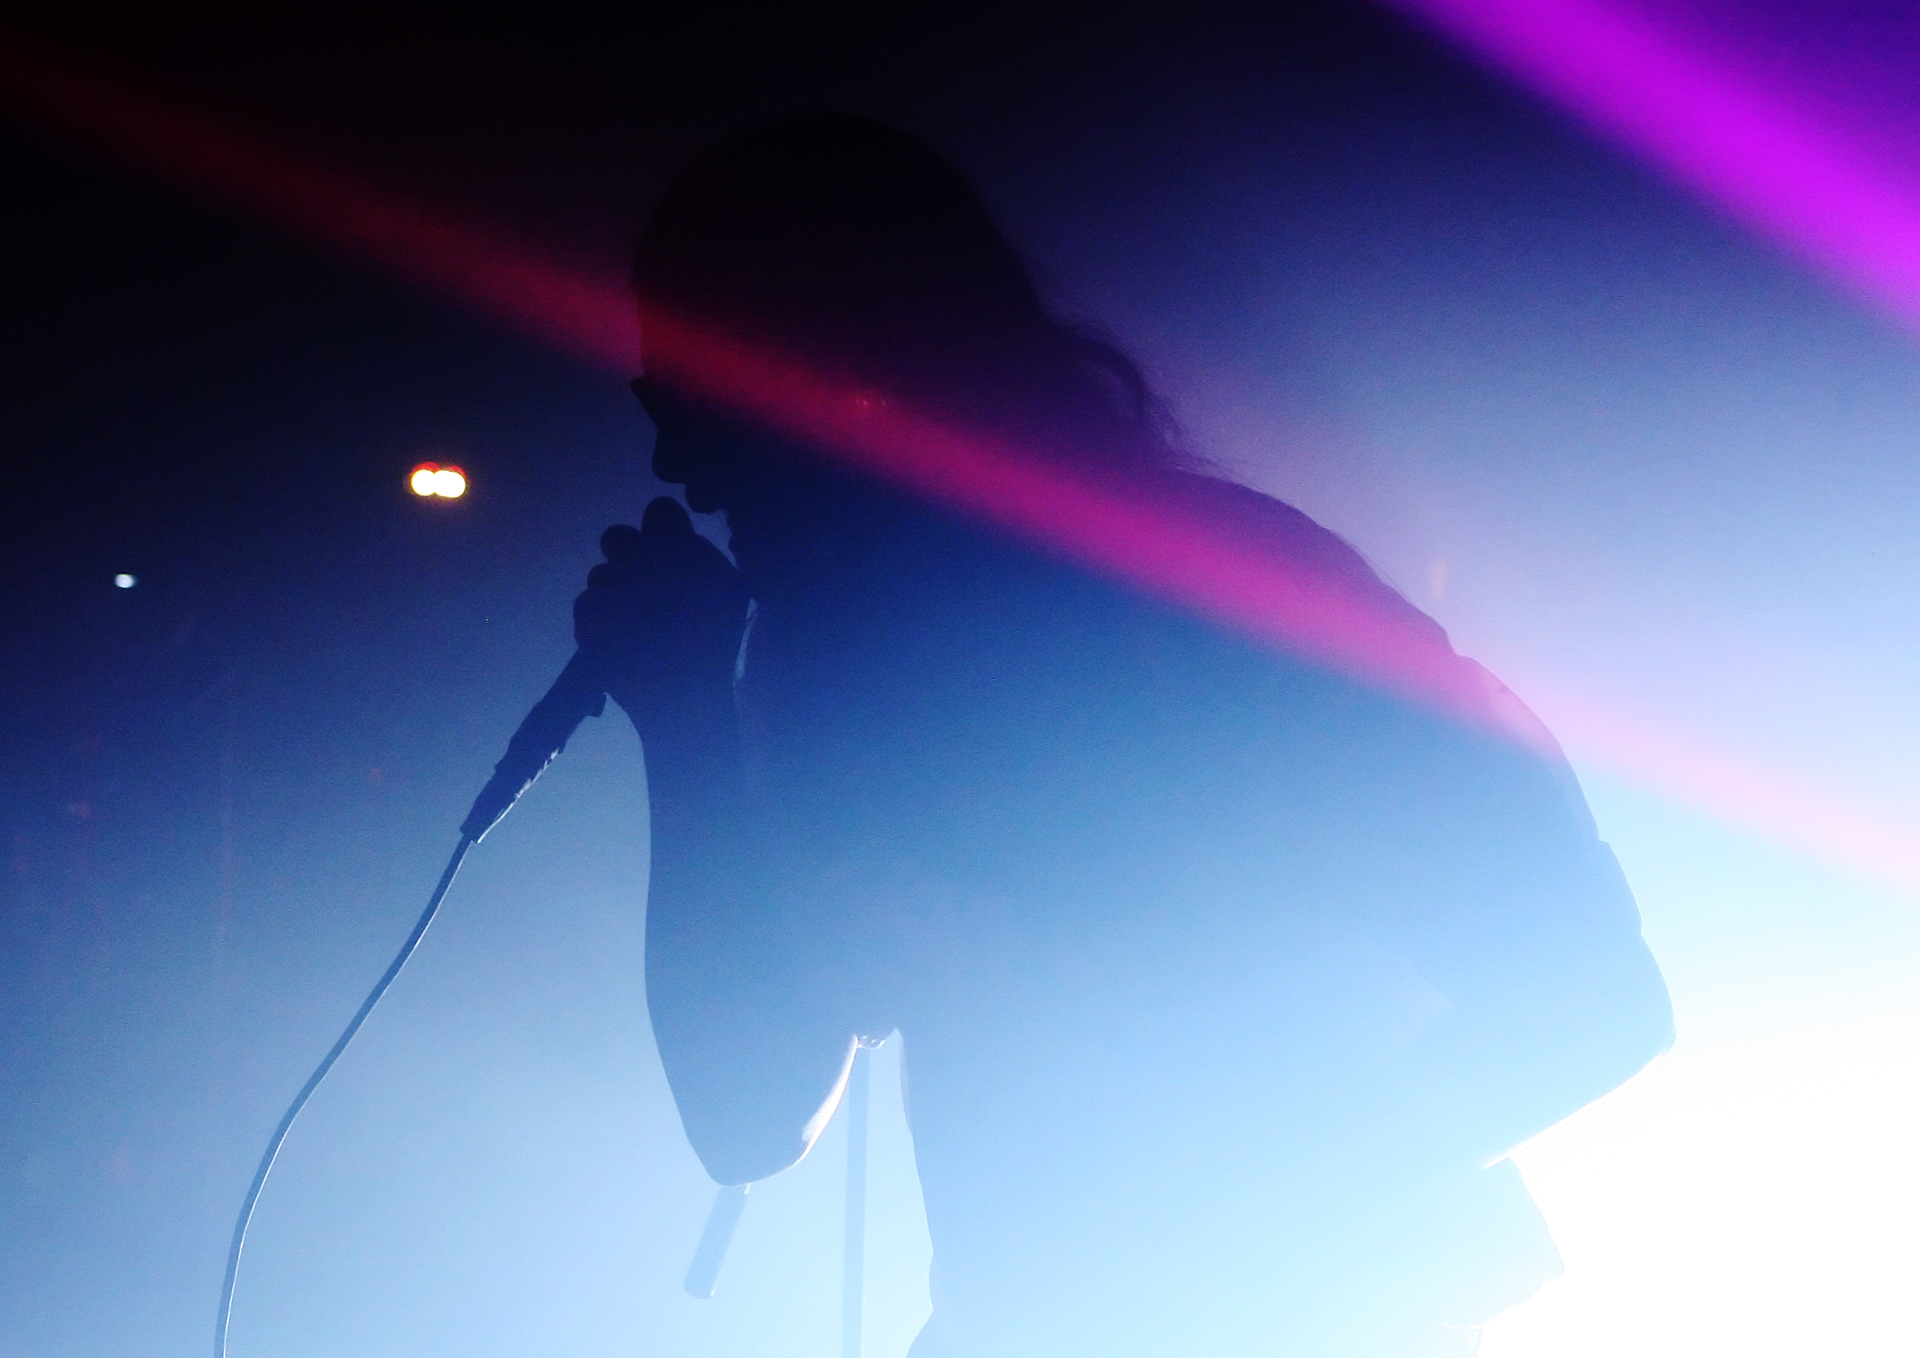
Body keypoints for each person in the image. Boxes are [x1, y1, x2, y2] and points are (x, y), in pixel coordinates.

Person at [574, 114, 1672, 1356]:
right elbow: (747, 1111)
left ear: (842, 370)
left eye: (694, 403)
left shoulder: (1226, 595)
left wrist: (1228, 1207)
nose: (675, 464)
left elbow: (1596, 992)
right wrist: (684, 723)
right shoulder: (810, 673)